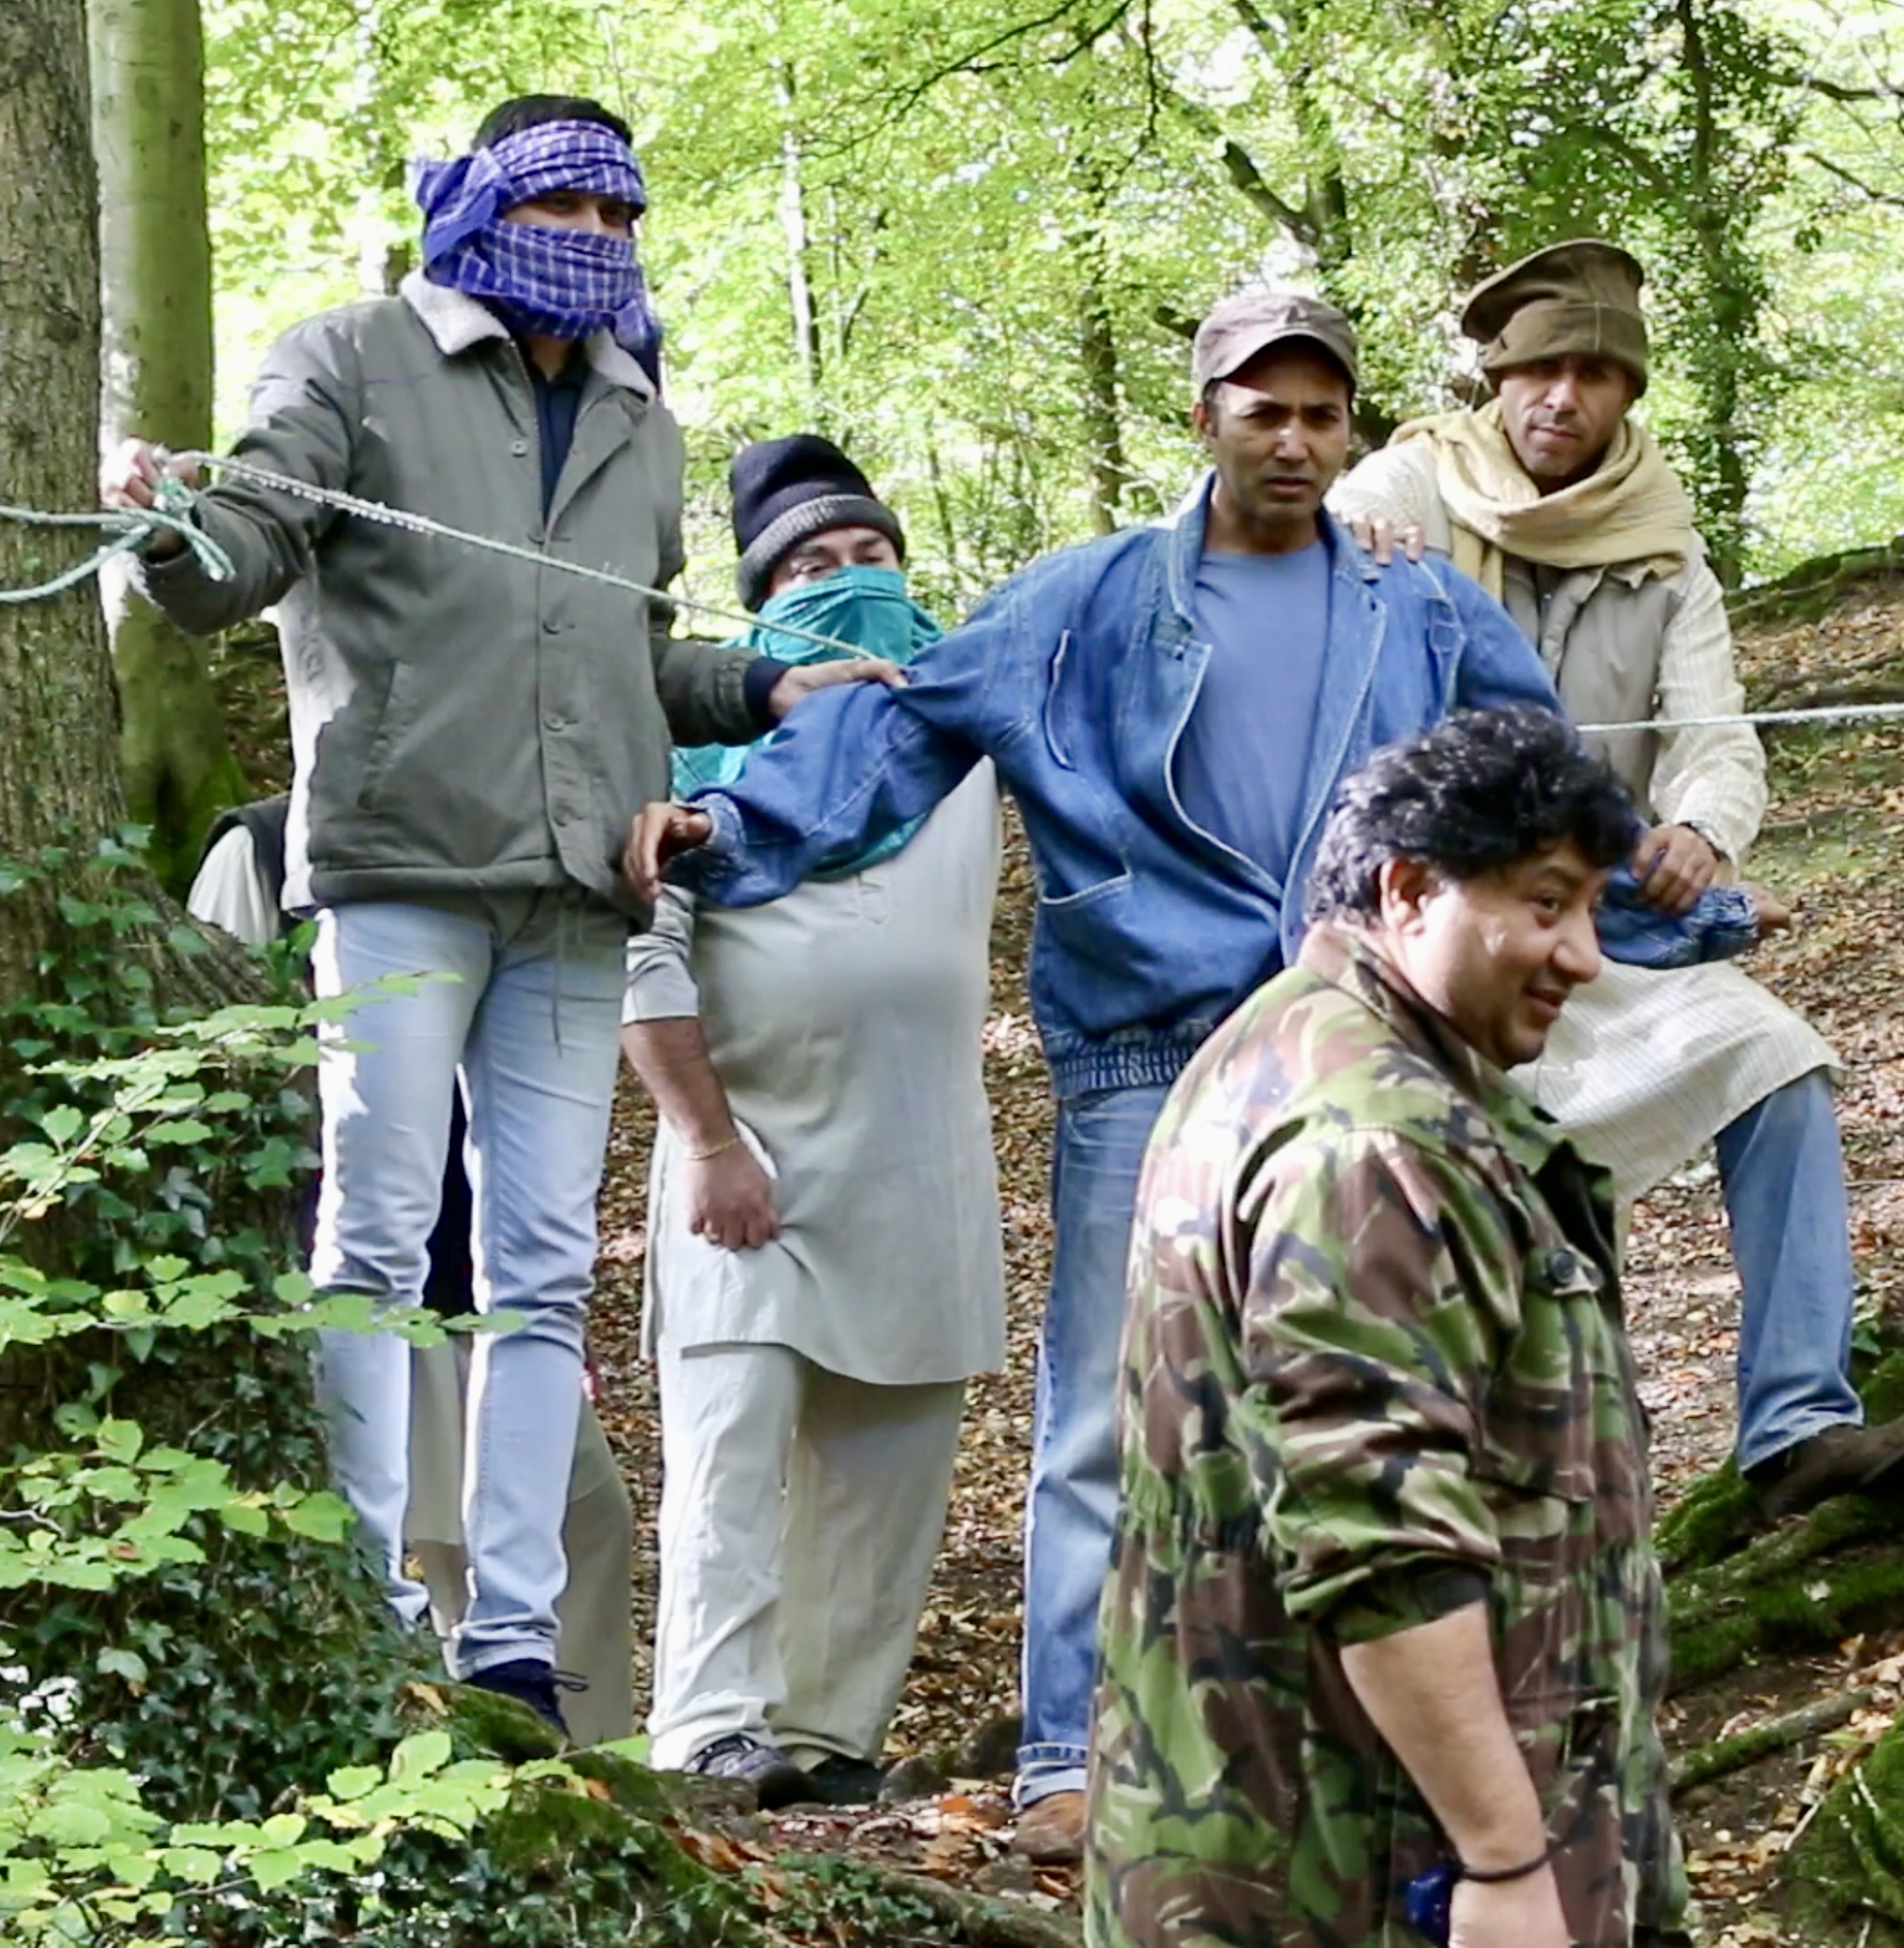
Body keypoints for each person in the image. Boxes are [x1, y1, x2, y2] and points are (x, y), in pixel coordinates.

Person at [624, 289, 1614, 1863]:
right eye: (1261, 410)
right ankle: (1064, 1758)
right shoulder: (1076, 601)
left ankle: (1363, 1748)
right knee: (1105, 1412)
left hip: (1356, 1053)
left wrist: (1678, 883)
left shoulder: (1419, 611)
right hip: (1142, 1051)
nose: (1292, 442)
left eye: (1320, 415)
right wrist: (736, 830)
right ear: (1206, 413)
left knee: (1375, 1398)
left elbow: (1550, 788)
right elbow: (899, 739)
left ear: (1350, 431)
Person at [96, 93, 887, 1727]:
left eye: (620, 218)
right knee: (376, 1243)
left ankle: (511, 1638)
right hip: (394, 872)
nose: (594, 243)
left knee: (540, 1267)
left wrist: (763, 679)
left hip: (578, 896)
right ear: (476, 208)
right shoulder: (351, 357)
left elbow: (627, 658)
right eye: (563, 209)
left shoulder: (636, 417)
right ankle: (374, 1597)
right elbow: (235, 557)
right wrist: (164, 514)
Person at [1331, 239, 1904, 1524]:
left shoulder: (1667, 546)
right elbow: (1309, 574)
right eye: (1538, 372)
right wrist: (1362, 540)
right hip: (1435, 923)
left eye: (1592, 376)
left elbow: (1717, 733)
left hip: (1606, 923)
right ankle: (1552, 1492)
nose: (1560, 399)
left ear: (1628, 396)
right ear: (1497, 382)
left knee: (1778, 1060)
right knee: (1523, 1171)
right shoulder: (1408, 483)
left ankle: (1799, 1424)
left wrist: (1702, 831)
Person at [1087, 706, 1686, 1948]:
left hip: (1315, 1840)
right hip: (1363, 1869)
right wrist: (1507, 1861)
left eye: (1590, 911)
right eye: (1544, 902)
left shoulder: (1287, 1049)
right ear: (1410, 889)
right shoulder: (1378, 1141)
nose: (1581, 953)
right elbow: (1381, 1540)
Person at [627, 437, 1007, 1809]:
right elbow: (641, 957)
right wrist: (709, 1138)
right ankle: (711, 1727)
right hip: (749, 1156)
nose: (849, 584)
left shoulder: (965, 742)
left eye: (869, 559)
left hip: (920, 1153)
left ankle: (833, 1730)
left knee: (888, 1460)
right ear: (765, 610)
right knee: (729, 1446)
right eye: (811, 569)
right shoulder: (687, 769)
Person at [184, 798, 643, 1750]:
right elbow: (222, 1068)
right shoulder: (267, 851)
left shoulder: (549, 856)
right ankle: (392, 1738)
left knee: (588, 1519)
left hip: (489, 1301)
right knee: (411, 1545)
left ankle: (574, 1762)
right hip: (351, 1302)